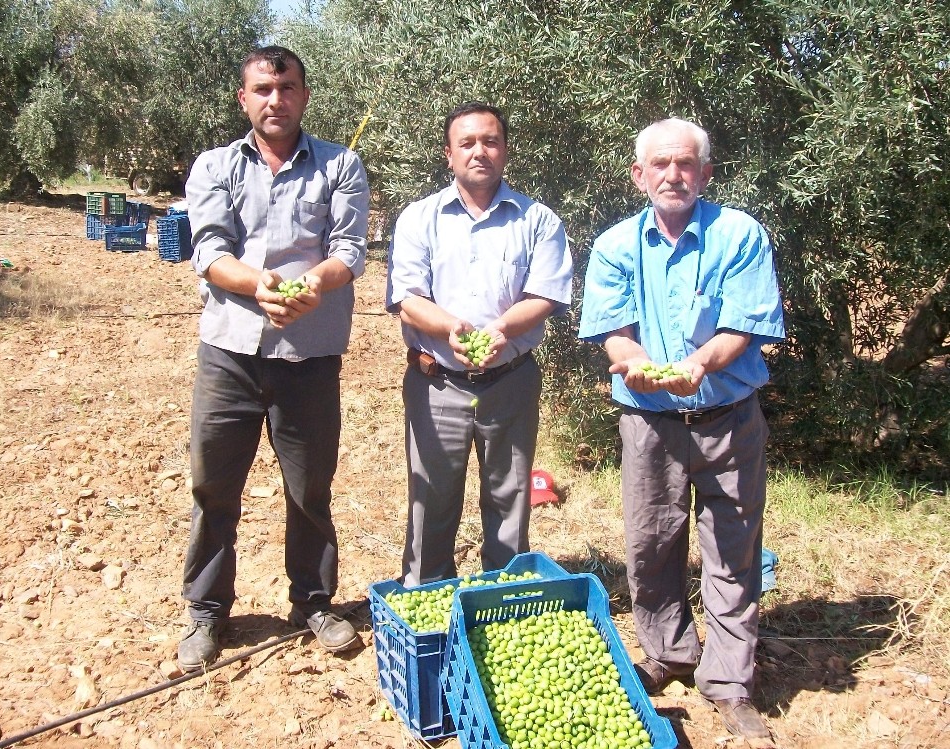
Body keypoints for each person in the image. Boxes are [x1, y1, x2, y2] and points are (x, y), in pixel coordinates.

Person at [578, 118, 785, 739]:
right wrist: (636, 364)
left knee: (733, 550)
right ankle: (669, 653)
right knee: (650, 545)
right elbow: (614, 328)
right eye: (660, 165)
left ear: (706, 172)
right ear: (639, 175)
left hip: (729, 419)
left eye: (686, 164)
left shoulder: (739, 235)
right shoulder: (615, 244)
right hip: (649, 424)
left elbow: (746, 326)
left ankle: (729, 681)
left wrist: (699, 365)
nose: (674, 175)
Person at [177, 45, 369, 670]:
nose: (275, 100)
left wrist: (313, 286)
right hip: (229, 351)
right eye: (262, 89)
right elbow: (209, 248)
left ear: (304, 95)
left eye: (286, 88)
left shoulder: (341, 165)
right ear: (244, 98)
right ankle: (206, 612)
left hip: (309, 355)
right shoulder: (213, 166)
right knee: (214, 485)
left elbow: (349, 250)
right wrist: (258, 285)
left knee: (310, 486)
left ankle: (313, 602)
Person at [386, 101, 573, 587]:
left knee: (509, 500)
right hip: (437, 384)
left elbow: (547, 294)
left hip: (509, 382)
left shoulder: (537, 221)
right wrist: (452, 329)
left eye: (490, 141)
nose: (479, 152)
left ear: (505, 150)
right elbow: (407, 298)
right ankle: (427, 600)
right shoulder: (419, 218)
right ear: (448, 154)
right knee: (431, 500)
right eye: (467, 143)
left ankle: (503, 597)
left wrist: (501, 332)